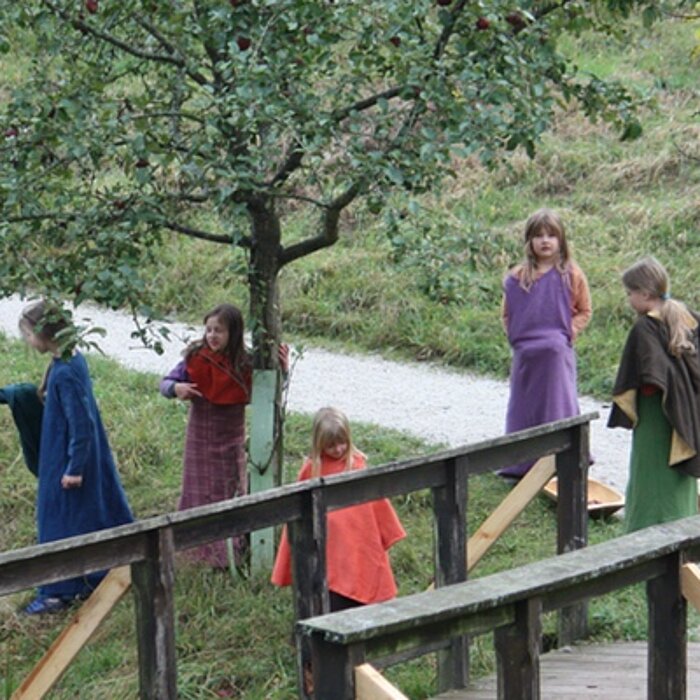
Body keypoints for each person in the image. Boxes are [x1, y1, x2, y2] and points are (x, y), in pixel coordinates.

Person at [19, 300, 133, 614]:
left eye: (28, 334)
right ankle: (95, 574)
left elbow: (81, 422)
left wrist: (74, 467)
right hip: (72, 455)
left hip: (69, 460)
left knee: (59, 520)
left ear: (44, 333)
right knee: (89, 513)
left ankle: (60, 591)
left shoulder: (66, 372)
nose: (27, 340)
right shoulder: (68, 360)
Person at [271, 406, 406, 611]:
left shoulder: (356, 465)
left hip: (361, 546)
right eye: (330, 445)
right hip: (329, 553)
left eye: (342, 443)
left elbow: (374, 508)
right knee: (334, 597)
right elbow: (298, 511)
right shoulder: (312, 470)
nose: (338, 449)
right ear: (319, 444)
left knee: (365, 588)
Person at [608, 256, 700, 532]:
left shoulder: (645, 327)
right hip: (686, 416)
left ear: (645, 294)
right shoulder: (687, 316)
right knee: (678, 477)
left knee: (651, 474)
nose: (629, 299)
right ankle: (683, 530)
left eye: (630, 293)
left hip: (656, 416)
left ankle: (646, 533)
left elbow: (650, 380)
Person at [499, 208, 592, 479]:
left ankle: (562, 459)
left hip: (556, 355)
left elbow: (584, 310)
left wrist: (566, 334)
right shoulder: (517, 277)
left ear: (561, 240)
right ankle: (522, 462)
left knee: (557, 404)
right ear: (529, 241)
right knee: (524, 406)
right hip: (526, 355)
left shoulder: (571, 274)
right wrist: (517, 338)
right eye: (538, 236)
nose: (545, 241)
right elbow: (508, 314)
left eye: (551, 235)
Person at [160, 303, 253, 568]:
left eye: (219, 331)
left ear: (233, 333)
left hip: (230, 440)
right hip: (199, 440)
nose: (212, 335)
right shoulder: (196, 358)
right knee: (197, 491)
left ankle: (227, 555)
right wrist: (175, 388)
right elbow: (165, 383)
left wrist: (282, 367)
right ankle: (194, 552)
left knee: (228, 490)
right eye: (209, 330)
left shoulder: (244, 364)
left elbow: (268, 386)